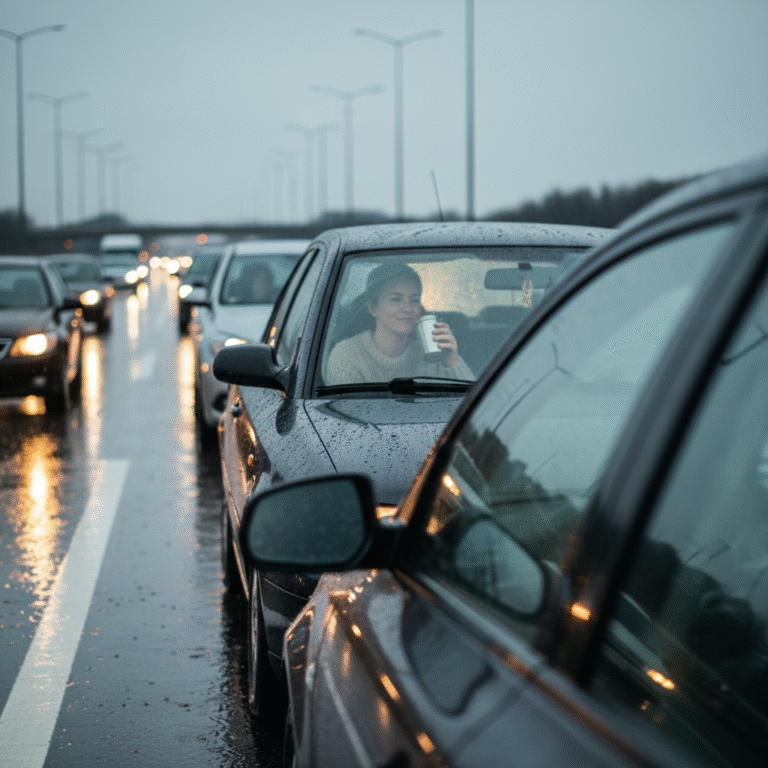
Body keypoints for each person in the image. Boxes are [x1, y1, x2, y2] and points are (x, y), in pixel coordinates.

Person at [326, 262, 474, 385]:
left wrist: (452, 362)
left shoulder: (431, 354)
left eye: (414, 299)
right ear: (373, 308)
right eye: (396, 299)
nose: (408, 308)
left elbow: (474, 406)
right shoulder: (347, 354)